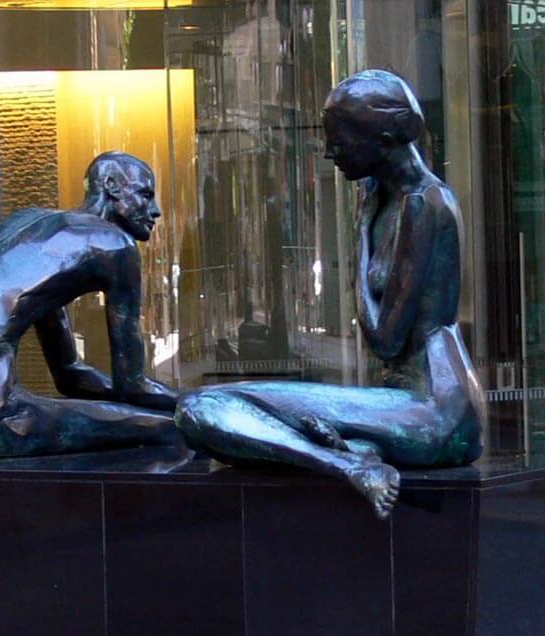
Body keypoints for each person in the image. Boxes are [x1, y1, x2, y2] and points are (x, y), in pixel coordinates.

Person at [175, 70, 485, 519]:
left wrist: (359, 237)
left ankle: (346, 462)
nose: (330, 152)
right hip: (406, 403)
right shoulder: (387, 197)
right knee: (206, 412)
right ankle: (351, 453)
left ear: (380, 140)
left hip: (437, 411)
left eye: (339, 139)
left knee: (203, 408)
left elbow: (385, 339)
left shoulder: (425, 204)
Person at [0, 152, 179, 456]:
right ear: (111, 186)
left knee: (140, 421)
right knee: (176, 428)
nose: (155, 210)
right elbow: (132, 387)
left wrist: (114, 407)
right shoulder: (116, 245)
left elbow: (70, 375)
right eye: (145, 195)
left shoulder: (30, 230)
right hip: (3, 423)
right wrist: (190, 400)